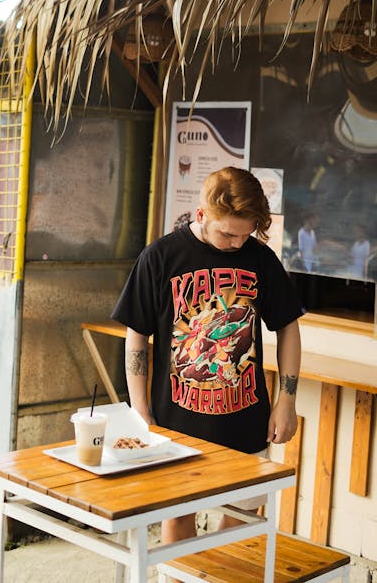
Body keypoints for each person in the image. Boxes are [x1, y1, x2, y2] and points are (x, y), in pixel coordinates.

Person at [112, 166, 303, 546]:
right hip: (178, 422)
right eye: (228, 233)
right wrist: (139, 410)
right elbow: (136, 334)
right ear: (201, 215)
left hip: (245, 419)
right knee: (176, 516)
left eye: (245, 234)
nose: (236, 243)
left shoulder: (260, 259)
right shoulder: (161, 257)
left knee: (245, 517)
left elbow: (288, 327)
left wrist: (287, 400)